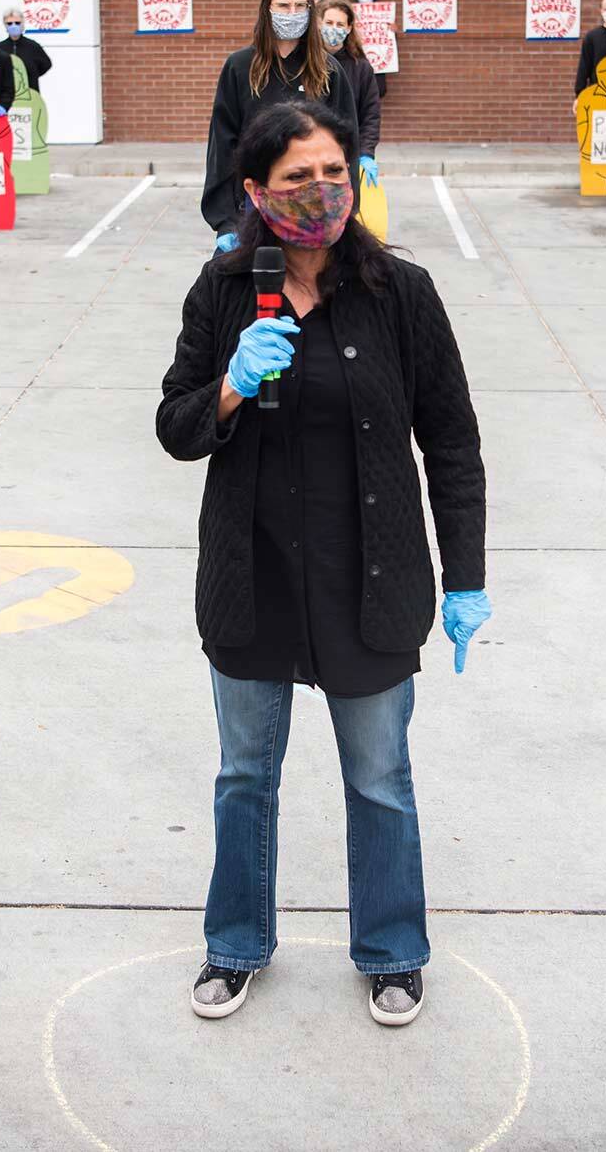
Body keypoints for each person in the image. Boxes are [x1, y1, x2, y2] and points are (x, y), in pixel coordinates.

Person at [156, 99, 490, 1028]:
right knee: (244, 776)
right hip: (252, 576)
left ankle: (391, 951)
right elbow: (175, 426)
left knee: (380, 776)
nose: (319, 192)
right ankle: (234, 944)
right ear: (255, 192)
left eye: (334, 172)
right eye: (297, 178)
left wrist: (463, 573)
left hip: (370, 580)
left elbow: (452, 440)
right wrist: (228, 384)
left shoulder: (403, 293)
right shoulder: (223, 291)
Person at [202, 0, 361, 251]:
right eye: (284, 6)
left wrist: (346, 211)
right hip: (255, 206)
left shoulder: (328, 71)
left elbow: (347, 146)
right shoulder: (240, 67)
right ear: (267, 10)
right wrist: (225, 220)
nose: (293, 12)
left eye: (300, 6)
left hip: (312, 205)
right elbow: (223, 145)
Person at [319, 0, 381, 183]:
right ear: (319, 24)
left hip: (346, 156)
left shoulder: (361, 68)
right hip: (310, 153)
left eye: (340, 24)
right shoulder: (305, 64)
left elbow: (370, 114)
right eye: (329, 22)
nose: (334, 28)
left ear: (348, 29)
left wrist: (366, 153)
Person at [0, 5, 52, 92]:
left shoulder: (33, 46)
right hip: (6, 95)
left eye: (17, 23)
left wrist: (32, 75)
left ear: (23, 23)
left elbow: (46, 64)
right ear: (5, 25)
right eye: (9, 23)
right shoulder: (0, 48)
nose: (13, 26)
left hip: (30, 93)